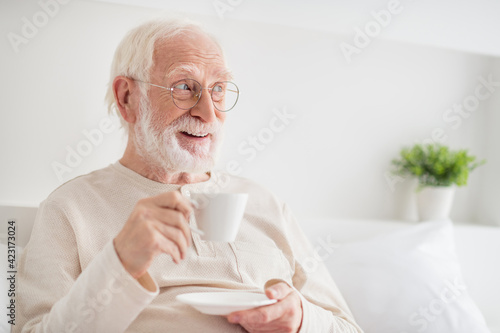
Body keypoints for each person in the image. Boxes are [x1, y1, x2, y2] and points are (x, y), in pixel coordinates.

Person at [15, 18, 363, 333]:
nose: (208, 113)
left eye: (219, 89)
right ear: (127, 98)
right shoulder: (69, 208)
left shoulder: (265, 204)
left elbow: (348, 328)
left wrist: (301, 319)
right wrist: (118, 263)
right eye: (184, 87)